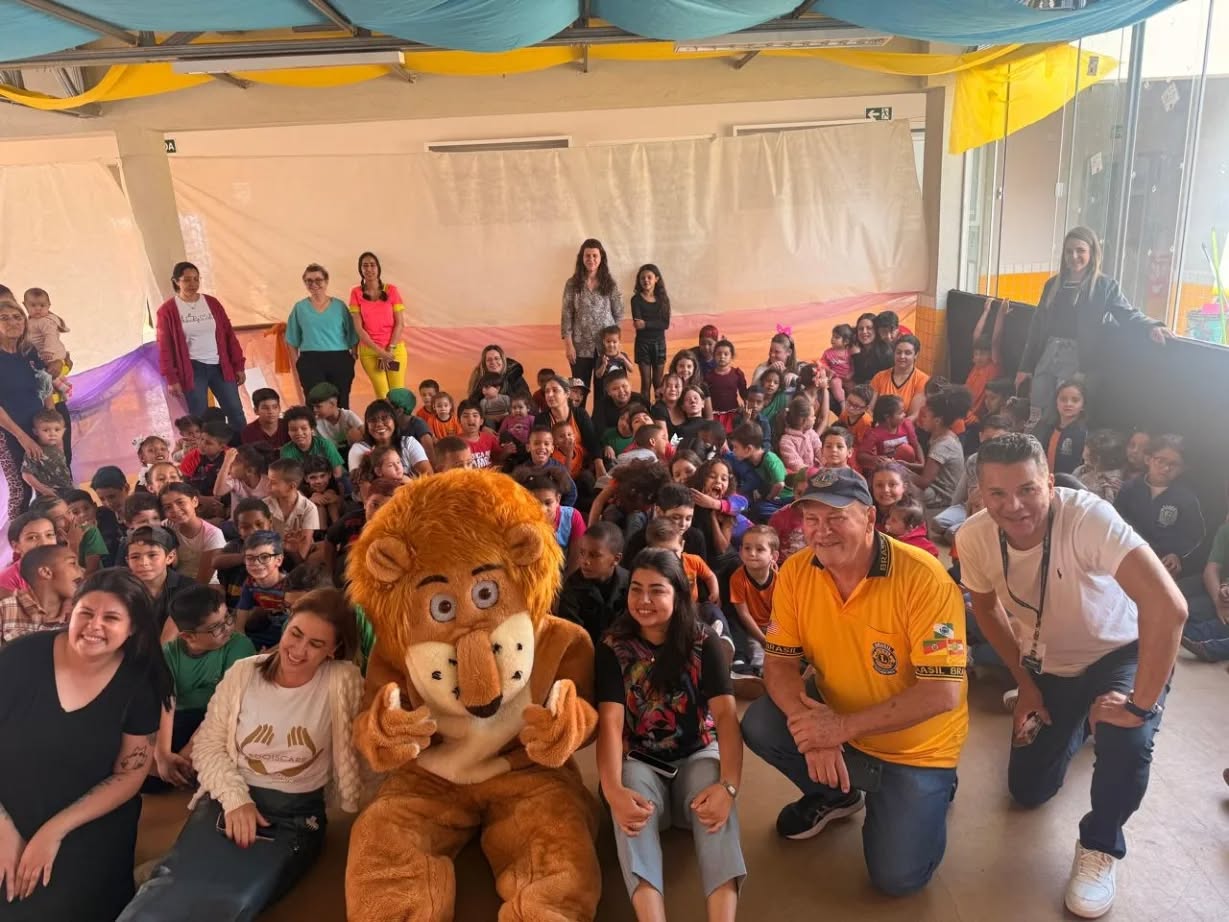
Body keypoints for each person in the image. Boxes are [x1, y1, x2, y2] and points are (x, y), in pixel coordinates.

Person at [956, 433, 1186, 918]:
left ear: (1049, 484)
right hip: (1050, 662)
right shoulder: (974, 536)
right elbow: (986, 608)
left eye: (1027, 489)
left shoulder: (1088, 517)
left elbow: (1168, 608)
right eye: (997, 493)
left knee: (1127, 737)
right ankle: (1081, 718)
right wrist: (1026, 685)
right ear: (980, 493)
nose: (1014, 506)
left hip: (1119, 651)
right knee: (1028, 792)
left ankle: (1101, 844)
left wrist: (1139, 705)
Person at [741, 467, 967, 896]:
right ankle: (837, 795)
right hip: (838, 717)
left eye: (836, 517)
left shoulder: (925, 577)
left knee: (897, 879)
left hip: (916, 748)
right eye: (811, 519)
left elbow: (941, 693)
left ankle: (932, 788)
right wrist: (817, 732)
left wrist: (838, 729)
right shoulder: (796, 572)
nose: (822, 531)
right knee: (762, 723)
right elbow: (779, 663)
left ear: (869, 518)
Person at [118, 590, 363, 922]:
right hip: (229, 795)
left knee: (234, 899)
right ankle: (161, 878)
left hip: (295, 815)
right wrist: (236, 801)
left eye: (316, 644)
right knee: (174, 881)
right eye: (296, 633)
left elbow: (368, 741)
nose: (299, 649)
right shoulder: (244, 673)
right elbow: (208, 744)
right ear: (287, 624)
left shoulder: (343, 680)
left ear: (333, 649)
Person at [0, 569, 171, 921]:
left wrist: (52, 832)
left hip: (86, 813)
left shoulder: (140, 681)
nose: (94, 626)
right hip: (8, 801)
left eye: (111, 618)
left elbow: (129, 774)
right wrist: (3, 829)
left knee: (51, 909)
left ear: (133, 628)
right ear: (71, 611)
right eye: (86, 613)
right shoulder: (21, 657)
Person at [596, 548, 745, 921]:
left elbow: (726, 717)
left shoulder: (704, 641)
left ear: (678, 594)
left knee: (716, 796)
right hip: (642, 760)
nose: (643, 600)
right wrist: (613, 791)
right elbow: (611, 723)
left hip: (697, 753)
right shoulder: (613, 646)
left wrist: (729, 787)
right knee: (630, 807)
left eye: (657, 590)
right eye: (636, 589)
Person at [1017, 227, 1168, 425]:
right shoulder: (1053, 284)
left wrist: (1151, 326)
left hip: (1078, 360)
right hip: (1047, 355)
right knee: (1038, 410)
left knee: (1067, 415)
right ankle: (1035, 444)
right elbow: (1036, 327)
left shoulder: (1104, 286)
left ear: (1092, 253)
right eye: (1069, 251)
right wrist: (1025, 366)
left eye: (1080, 250)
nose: (1074, 256)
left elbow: (1127, 313)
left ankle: (1059, 444)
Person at [152, 586, 256, 789]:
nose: (227, 628)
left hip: (222, 720)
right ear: (188, 637)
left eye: (228, 618)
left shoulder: (239, 646)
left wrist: (188, 751)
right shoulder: (168, 654)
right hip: (182, 718)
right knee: (151, 768)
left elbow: (227, 705)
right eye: (216, 628)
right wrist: (162, 755)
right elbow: (166, 703)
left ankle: (188, 770)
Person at [156, 262, 247, 432]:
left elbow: (229, 335)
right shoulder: (167, 310)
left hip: (220, 366)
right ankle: (205, 448)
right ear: (176, 281)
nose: (193, 284)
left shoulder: (212, 303)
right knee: (198, 416)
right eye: (187, 280)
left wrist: (238, 365)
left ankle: (243, 445)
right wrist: (172, 379)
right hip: (192, 369)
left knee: (235, 411)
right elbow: (164, 348)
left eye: (196, 279)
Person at [1114, 434, 1204, 583]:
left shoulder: (1186, 499)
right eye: (1160, 460)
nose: (1166, 468)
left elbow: (1193, 534)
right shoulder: (1129, 488)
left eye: (1174, 464)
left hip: (1161, 563)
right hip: (1128, 555)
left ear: (1182, 469)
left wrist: (1176, 554)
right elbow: (1116, 520)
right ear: (1148, 459)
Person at [287, 263, 358, 408]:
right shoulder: (300, 308)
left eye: (318, 280)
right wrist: (297, 363)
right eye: (309, 281)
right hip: (310, 360)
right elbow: (291, 338)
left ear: (326, 281)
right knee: (315, 404)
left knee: (341, 402)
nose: (314, 284)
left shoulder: (339, 306)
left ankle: (341, 424)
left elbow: (352, 332)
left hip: (339, 358)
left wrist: (353, 356)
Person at [0, 299, 46, 521]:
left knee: (47, 484)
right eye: (4, 318)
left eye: (18, 317)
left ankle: (48, 534)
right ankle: (19, 539)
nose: (13, 322)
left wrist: (52, 421)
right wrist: (22, 437)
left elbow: (45, 385)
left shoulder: (28, 352)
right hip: (9, 433)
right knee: (21, 490)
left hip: (38, 428)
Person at [561, 238, 623, 394]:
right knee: (579, 391)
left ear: (601, 258)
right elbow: (566, 314)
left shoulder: (610, 283)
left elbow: (618, 313)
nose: (591, 259)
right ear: (582, 258)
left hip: (605, 348)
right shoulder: (572, 284)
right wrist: (568, 345)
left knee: (604, 392)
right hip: (580, 346)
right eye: (587, 255)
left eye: (595, 255)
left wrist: (615, 342)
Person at [557, 522, 629, 648]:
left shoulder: (629, 583)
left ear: (616, 559)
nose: (585, 561)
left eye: (594, 555)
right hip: (584, 650)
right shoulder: (572, 586)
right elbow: (571, 632)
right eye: (582, 553)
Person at [349, 251, 406, 399]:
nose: (369, 269)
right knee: (383, 394)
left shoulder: (391, 290)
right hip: (370, 351)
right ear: (360, 270)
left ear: (378, 268)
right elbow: (359, 328)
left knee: (398, 394)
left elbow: (400, 323)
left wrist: (389, 350)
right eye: (365, 266)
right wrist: (380, 352)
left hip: (394, 350)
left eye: (372, 265)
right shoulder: (356, 293)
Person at [0, 544, 82, 647]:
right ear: (46, 572)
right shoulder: (5, 610)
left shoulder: (77, 615)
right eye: (73, 563)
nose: (82, 570)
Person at [125, 524, 194, 639]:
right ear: (128, 561)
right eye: (135, 557)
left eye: (152, 555)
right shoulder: (122, 591)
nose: (143, 563)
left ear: (170, 557)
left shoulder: (188, 589)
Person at [913, 387, 973, 510]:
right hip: (935, 488)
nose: (922, 419)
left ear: (937, 421)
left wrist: (900, 473)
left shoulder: (943, 445)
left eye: (925, 416)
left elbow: (924, 482)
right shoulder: (942, 436)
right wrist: (904, 466)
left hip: (942, 496)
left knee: (900, 487)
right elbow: (929, 470)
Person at [729, 525, 778, 675]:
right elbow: (744, 615)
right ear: (740, 552)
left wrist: (772, 635)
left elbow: (782, 612)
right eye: (747, 548)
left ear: (774, 556)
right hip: (752, 629)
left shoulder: (780, 579)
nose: (752, 553)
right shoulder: (737, 579)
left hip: (774, 626)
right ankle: (758, 676)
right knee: (758, 654)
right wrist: (763, 639)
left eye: (760, 549)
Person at [535, 374, 605, 479]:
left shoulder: (580, 414)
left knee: (587, 477)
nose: (549, 395)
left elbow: (592, 441)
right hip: (555, 470)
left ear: (567, 393)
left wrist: (599, 466)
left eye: (555, 390)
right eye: (547, 391)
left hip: (582, 467)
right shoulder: (542, 419)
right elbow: (542, 450)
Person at [347, 399, 432, 481]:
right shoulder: (358, 449)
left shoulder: (408, 443)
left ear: (394, 421)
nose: (379, 424)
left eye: (385, 418)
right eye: (373, 420)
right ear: (367, 425)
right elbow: (362, 487)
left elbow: (429, 476)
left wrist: (410, 484)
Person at [161, 483, 226, 585]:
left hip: (205, 585)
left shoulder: (213, 535)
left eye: (180, 502)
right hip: (175, 582)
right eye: (168, 507)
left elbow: (203, 581)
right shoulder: (166, 526)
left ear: (194, 501)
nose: (175, 510)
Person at [1033, 377, 1088, 477]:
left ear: (1083, 405)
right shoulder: (1047, 428)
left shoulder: (1083, 434)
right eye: (1063, 399)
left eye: (1075, 400)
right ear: (1056, 402)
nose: (1068, 404)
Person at [631, 264, 671, 400]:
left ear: (656, 279)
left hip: (659, 343)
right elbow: (638, 324)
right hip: (642, 344)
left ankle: (659, 410)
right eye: (642, 278)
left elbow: (665, 324)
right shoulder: (636, 300)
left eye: (649, 277)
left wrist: (646, 324)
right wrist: (654, 324)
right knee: (646, 383)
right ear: (639, 280)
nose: (646, 280)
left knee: (658, 383)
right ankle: (645, 410)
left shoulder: (663, 299)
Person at [870, 334, 929, 420]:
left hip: (906, 427)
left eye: (907, 353)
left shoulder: (923, 380)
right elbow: (869, 409)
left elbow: (914, 415)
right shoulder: (879, 377)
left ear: (916, 355)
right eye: (898, 352)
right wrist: (876, 425)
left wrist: (894, 427)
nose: (902, 356)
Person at [856, 395, 922, 472]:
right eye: (900, 413)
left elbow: (916, 444)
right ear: (887, 417)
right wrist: (874, 458)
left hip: (908, 467)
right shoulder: (874, 433)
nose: (904, 415)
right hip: (887, 469)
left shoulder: (906, 425)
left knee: (906, 449)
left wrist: (921, 464)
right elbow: (861, 455)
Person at [0, 510, 57, 596]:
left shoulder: (67, 567)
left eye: (49, 535)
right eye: (32, 537)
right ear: (16, 546)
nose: (44, 543)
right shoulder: (5, 580)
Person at [20, 408, 73, 497]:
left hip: (68, 490)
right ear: (36, 432)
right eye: (46, 430)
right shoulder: (35, 450)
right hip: (50, 496)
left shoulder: (58, 445)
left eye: (57, 430)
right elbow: (26, 475)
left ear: (63, 431)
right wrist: (44, 490)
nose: (52, 434)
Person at [1072, 428, 1127, 503]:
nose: (1083, 456)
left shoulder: (1115, 482)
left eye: (1088, 456)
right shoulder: (1080, 471)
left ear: (1098, 458)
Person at [308, 383, 363, 451]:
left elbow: (364, 432)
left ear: (332, 404)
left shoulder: (348, 415)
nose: (314, 410)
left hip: (351, 451)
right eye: (313, 407)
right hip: (331, 454)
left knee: (354, 432)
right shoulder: (316, 423)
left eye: (318, 406)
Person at [777, 398, 822, 474]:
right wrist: (813, 472)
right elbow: (795, 464)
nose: (815, 418)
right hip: (798, 476)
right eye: (812, 416)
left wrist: (825, 463)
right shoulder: (786, 441)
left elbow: (819, 450)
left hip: (815, 472)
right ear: (803, 421)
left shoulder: (811, 433)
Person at [820, 324, 854, 404]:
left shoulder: (849, 352)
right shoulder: (828, 352)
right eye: (832, 336)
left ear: (846, 341)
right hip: (836, 377)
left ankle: (853, 402)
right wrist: (829, 370)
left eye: (836, 337)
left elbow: (854, 365)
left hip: (848, 378)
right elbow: (822, 363)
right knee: (835, 384)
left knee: (853, 387)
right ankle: (842, 404)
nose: (832, 339)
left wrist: (851, 374)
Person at [849, 312, 883, 384]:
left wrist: (857, 357)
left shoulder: (884, 352)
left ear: (876, 330)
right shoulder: (853, 349)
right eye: (861, 329)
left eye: (869, 328)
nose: (864, 332)